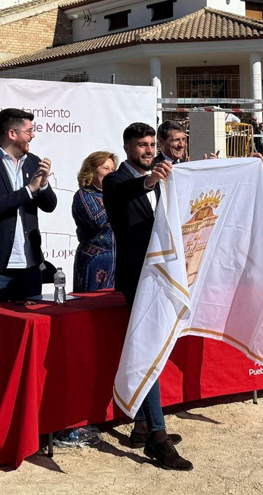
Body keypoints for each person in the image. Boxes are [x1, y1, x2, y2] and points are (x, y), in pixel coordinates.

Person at [103, 122, 191, 471]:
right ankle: (158, 435)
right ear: (127, 147)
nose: (149, 150)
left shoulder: (163, 176)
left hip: (164, 276)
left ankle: (141, 426)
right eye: (142, 145)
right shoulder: (116, 180)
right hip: (137, 279)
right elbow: (125, 193)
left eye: (153, 144)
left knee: (153, 348)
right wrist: (150, 181)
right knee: (149, 351)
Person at [0, 108, 58, 304]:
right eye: (29, 131)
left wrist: (43, 185)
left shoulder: (33, 161)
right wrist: (29, 190)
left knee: (31, 322)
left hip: (30, 265)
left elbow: (50, 205)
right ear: (12, 133)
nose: (33, 135)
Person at [71, 151, 118, 292]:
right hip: (95, 261)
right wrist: (117, 197)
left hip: (117, 261)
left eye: (113, 170)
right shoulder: (84, 195)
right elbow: (98, 220)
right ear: (92, 171)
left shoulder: (114, 195)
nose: (110, 173)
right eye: (105, 168)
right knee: (92, 302)